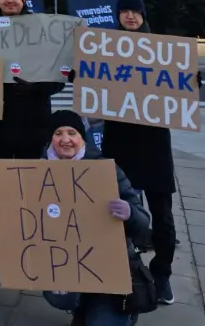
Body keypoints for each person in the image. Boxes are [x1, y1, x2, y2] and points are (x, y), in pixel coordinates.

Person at [0, 0, 65, 275]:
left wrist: (38, 88)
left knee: (31, 187)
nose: (9, 1)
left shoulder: (41, 31)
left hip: (33, 122)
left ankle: (31, 243)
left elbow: (60, 73)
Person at [100, 0, 181, 306]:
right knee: (116, 211)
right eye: (125, 12)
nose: (130, 17)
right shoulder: (104, 50)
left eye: (135, 11)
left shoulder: (163, 50)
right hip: (120, 142)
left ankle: (162, 275)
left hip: (155, 144)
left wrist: (189, 80)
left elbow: (176, 84)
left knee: (163, 216)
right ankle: (123, 270)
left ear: (143, 15)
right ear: (117, 16)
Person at [43, 110, 151, 326]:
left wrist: (129, 212)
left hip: (110, 266)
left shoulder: (106, 169)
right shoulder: (38, 171)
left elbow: (143, 221)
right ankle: (81, 307)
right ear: (50, 138)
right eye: (58, 133)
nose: (65, 140)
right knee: (61, 296)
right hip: (66, 261)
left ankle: (121, 311)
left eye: (72, 133)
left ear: (82, 137)